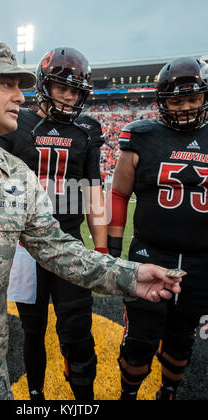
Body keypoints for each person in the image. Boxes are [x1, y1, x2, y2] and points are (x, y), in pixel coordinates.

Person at [0, 40, 181, 401]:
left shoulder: (19, 177)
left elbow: (57, 247)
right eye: (7, 85)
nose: (21, 97)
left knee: (74, 333)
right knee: (34, 328)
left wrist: (126, 273)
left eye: (21, 86)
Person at [0, 47, 107, 401]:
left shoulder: (88, 129)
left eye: (76, 90)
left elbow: (93, 192)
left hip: (70, 241)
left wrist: (102, 248)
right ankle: (36, 397)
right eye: (63, 88)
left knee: (77, 328)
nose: (70, 96)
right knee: (33, 329)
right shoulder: (16, 123)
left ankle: (84, 399)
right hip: (25, 244)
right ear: (45, 86)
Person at [107, 57, 208, 401]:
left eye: (193, 99)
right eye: (177, 101)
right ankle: (129, 394)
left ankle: (168, 393)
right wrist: (112, 251)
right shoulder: (142, 136)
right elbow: (119, 193)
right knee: (139, 341)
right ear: (163, 103)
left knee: (182, 340)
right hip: (150, 254)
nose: (185, 107)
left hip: (200, 261)